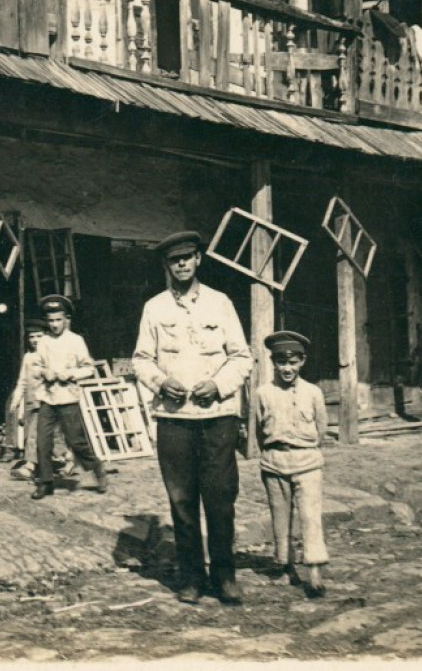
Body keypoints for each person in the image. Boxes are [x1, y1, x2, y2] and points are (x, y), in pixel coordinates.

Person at [132, 230, 252, 605]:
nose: (181, 264)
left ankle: (225, 576)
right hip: (174, 419)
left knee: (220, 499)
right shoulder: (155, 308)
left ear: (199, 259)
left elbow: (242, 357)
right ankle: (191, 578)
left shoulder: (221, 304)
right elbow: (141, 359)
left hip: (217, 417)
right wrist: (159, 380)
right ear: (166, 265)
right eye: (174, 260)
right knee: (182, 502)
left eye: (188, 257)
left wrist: (217, 385)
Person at [254, 331, 330, 597]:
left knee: (310, 516)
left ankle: (314, 572)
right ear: (273, 362)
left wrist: (305, 448)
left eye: (293, 362)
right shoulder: (263, 393)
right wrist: (272, 453)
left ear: (302, 362)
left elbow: (321, 428)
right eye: (281, 362)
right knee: (280, 516)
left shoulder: (313, 392)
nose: (287, 368)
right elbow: (258, 431)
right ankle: (285, 566)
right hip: (274, 463)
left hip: (307, 461)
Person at [29, 295, 108, 500]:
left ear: (66, 319)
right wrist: (44, 372)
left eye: (58, 320)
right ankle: (46, 483)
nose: (54, 324)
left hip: (68, 398)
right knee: (42, 442)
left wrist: (70, 373)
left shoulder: (76, 341)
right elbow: (35, 366)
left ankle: (96, 467)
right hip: (48, 397)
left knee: (76, 441)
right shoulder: (44, 342)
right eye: (51, 320)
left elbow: (88, 368)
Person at [5, 317, 49, 480]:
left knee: (33, 434)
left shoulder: (51, 355)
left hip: (46, 402)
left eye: (39, 336)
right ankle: (59, 461)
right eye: (32, 337)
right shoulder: (28, 357)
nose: (35, 340)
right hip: (31, 402)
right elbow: (22, 381)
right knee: (32, 434)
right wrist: (16, 401)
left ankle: (30, 466)